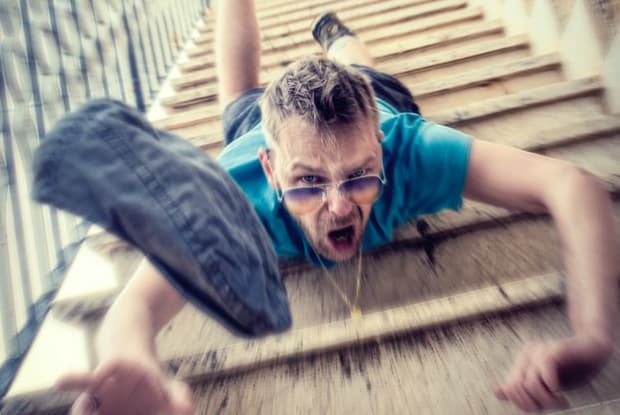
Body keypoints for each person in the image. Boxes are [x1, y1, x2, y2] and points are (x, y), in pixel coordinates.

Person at [51, 0, 618, 413]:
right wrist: (135, 365)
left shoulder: (410, 149)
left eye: (359, 176)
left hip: (376, 103)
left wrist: (592, 340)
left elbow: (573, 186)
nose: (339, 206)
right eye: (307, 184)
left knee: (362, 70)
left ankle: (336, 34)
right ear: (271, 173)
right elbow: (134, 308)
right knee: (238, 101)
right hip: (258, 128)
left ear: (380, 153)